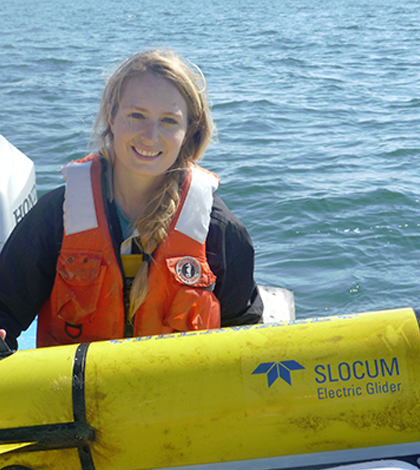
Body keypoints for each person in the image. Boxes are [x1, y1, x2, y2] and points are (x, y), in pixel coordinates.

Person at [0, 48, 262, 349]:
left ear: (189, 130)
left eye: (168, 121)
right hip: (73, 393)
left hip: (177, 395)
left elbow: (247, 340)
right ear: (111, 117)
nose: (150, 136)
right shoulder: (56, 217)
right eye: (136, 116)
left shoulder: (219, 231)